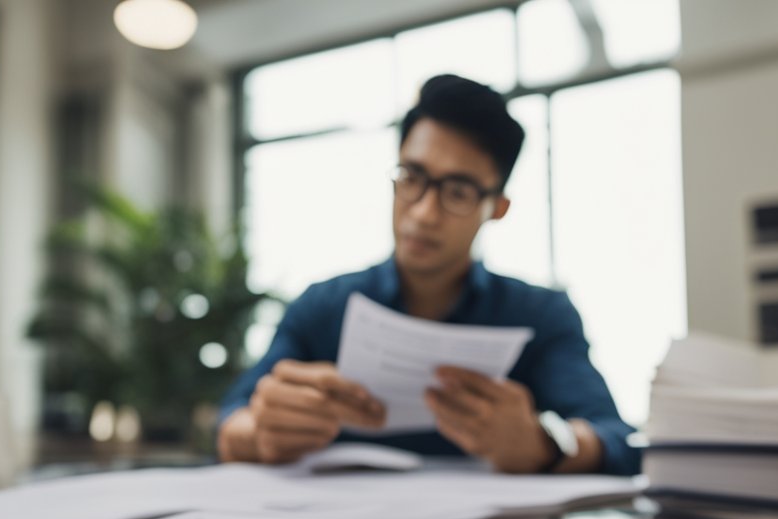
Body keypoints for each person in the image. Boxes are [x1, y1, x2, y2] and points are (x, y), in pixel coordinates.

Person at [217, 74, 641, 476]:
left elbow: (617, 440)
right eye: (411, 177)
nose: (423, 212)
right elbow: (230, 424)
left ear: (496, 208)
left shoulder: (541, 315)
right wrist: (260, 432)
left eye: (457, 192)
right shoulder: (322, 306)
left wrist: (544, 443)